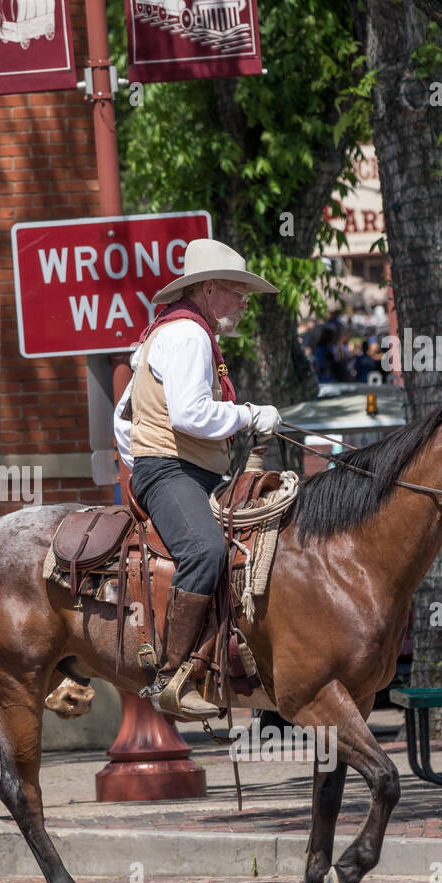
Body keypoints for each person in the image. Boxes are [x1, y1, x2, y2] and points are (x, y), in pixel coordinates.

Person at [113, 238, 281, 718]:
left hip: (184, 469)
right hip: (171, 470)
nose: (245, 304)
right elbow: (190, 415)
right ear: (209, 289)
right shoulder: (187, 335)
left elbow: (128, 416)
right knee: (205, 550)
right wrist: (248, 415)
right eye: (238, 292)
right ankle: (174, 675)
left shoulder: (186, 331)